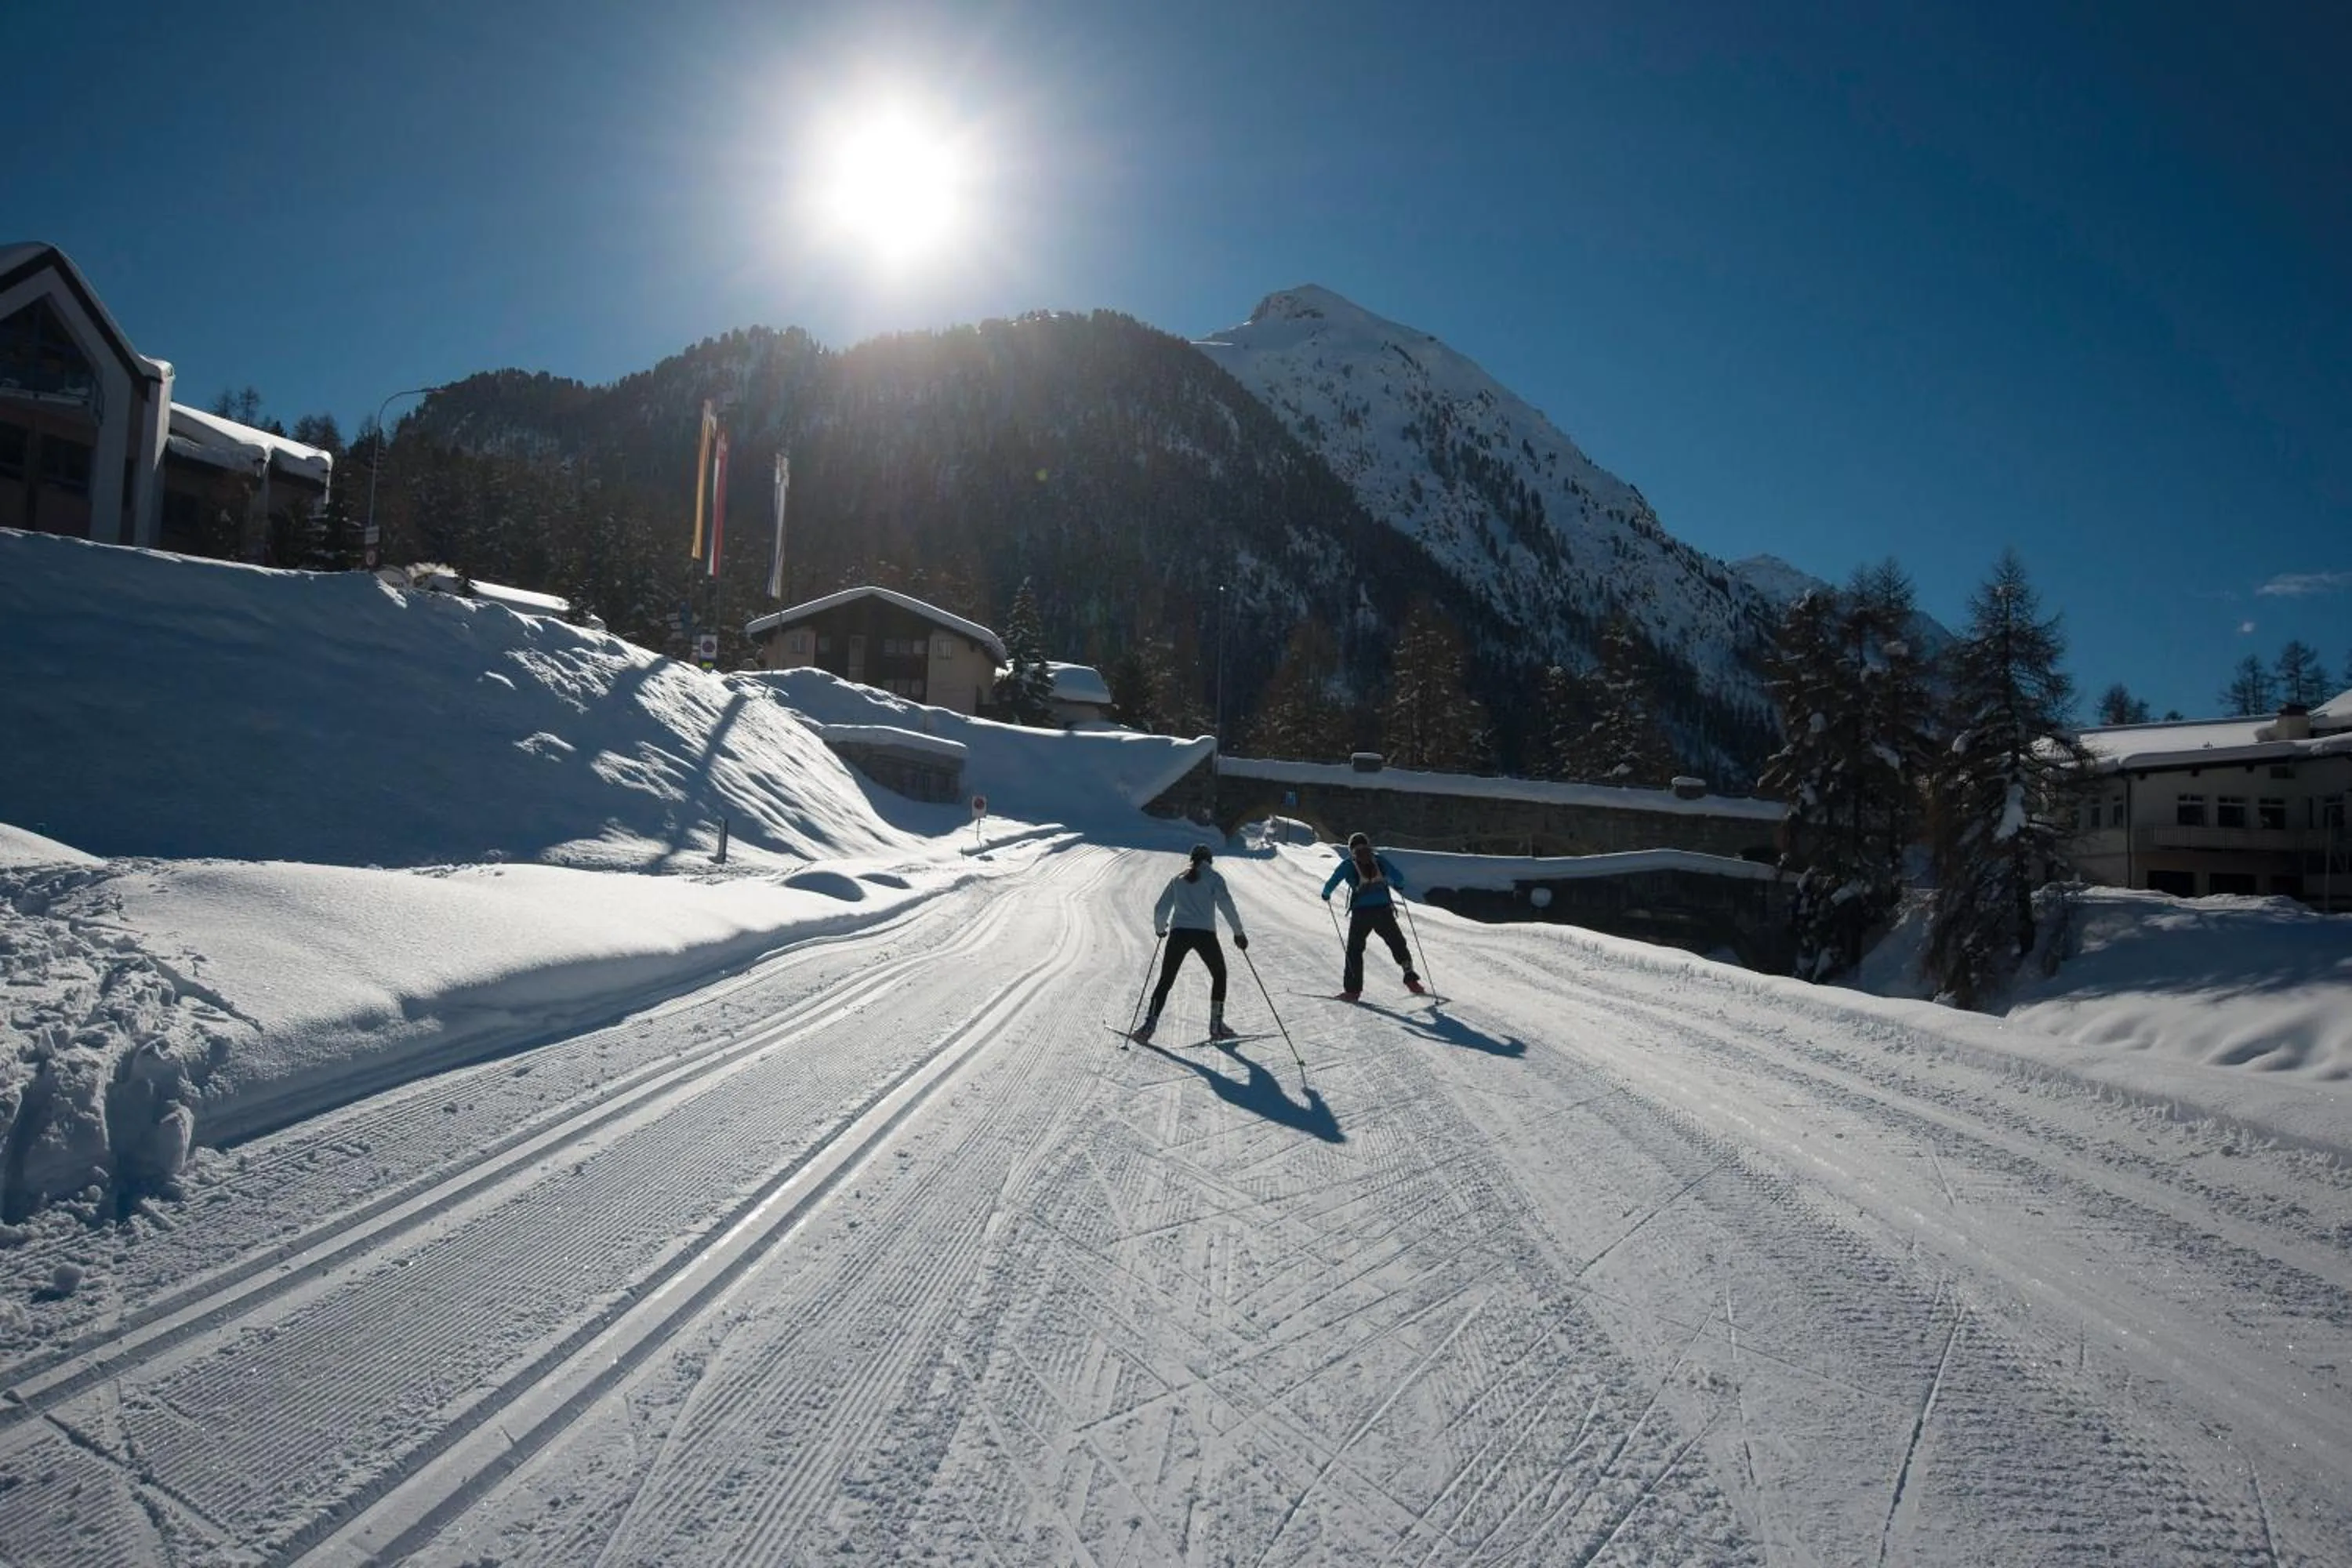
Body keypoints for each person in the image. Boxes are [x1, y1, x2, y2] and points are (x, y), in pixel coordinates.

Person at [1134, 843, 1249, 1044]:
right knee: (1219, 975)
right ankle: (1216, 1026)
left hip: (1179, 934)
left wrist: (1160, 929)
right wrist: (1238, 933)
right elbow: (1227, 906)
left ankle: (1149, 1025)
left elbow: (1161, 909)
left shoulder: (1178, 879)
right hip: (1205, 934)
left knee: (1166, 980)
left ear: (1192, 859)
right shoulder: (1214, 878)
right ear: (1209, 860)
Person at [1320, 832, 1422, 1001]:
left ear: (1351, 848)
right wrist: (1399, 886)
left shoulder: (1348, 864)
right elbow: (1400, 878)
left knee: (1355, 950)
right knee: (1397, 943)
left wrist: (1326, 895)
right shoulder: (1378, 860)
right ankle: (1411, 978)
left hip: (1362, 913)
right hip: (1383, 910)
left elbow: (1331, 883)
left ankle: (1353, 991)